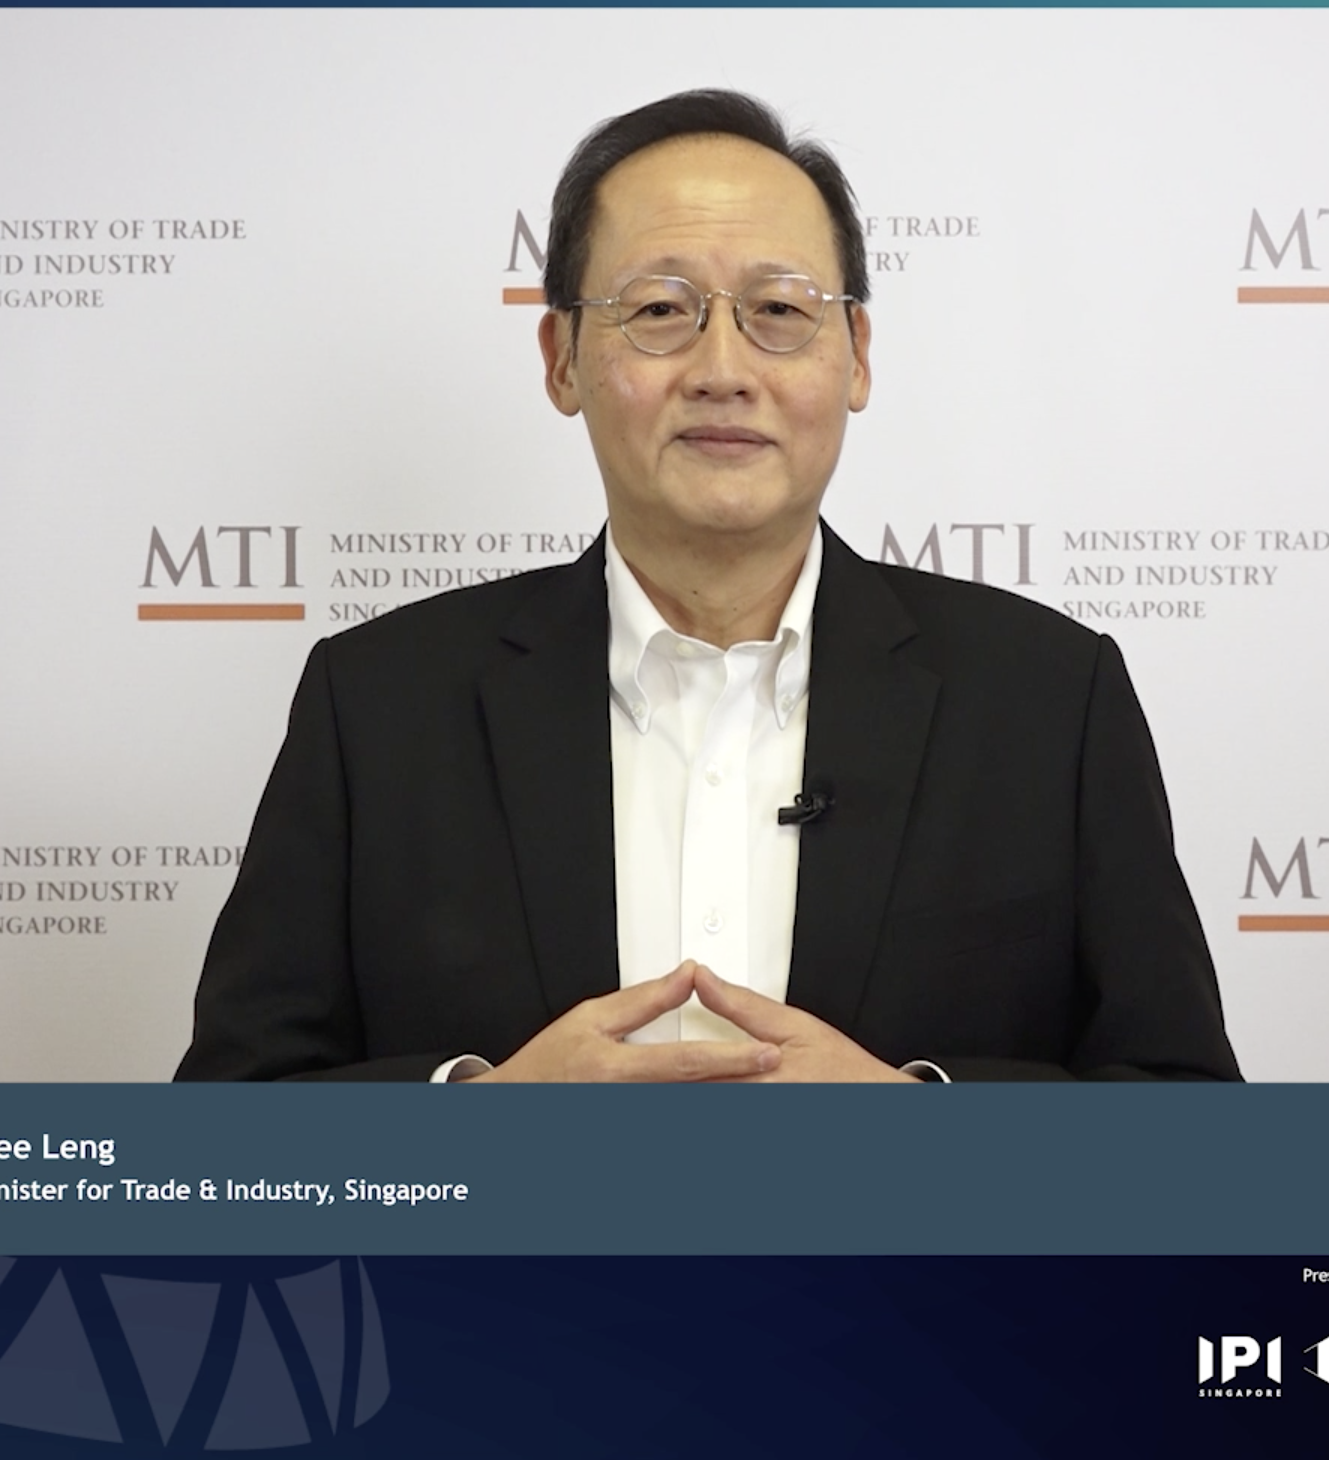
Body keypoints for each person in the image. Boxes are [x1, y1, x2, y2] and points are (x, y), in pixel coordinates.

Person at [176, 89, 1239, 1083]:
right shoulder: (378, 705)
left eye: (779, 308)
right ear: (561, 357)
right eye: (659, 308)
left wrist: (920, 1128)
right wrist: (476, 1122)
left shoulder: (1049, 701)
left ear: (857, 354)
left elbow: (1192, 1123)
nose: (723, 369)